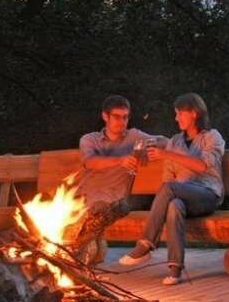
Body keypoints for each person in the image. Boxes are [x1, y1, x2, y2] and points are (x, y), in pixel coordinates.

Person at [118, 93, 225, 285]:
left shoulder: (212, 136)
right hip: (181, 195)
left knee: (170, 190)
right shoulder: (175, 141)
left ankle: (146, 244)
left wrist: (167, 154)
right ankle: (175, 270)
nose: (176, 118)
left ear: (194, 113)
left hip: (207, 195)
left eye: (180, 113)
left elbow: (203, 166)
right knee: (174, 205)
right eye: (175, 114)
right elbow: (168, 179)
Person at [67, 95, 166, 264]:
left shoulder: (134, 136)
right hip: (85, 199)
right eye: (117, 117)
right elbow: (90, 162)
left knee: (93, 215)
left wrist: (148, 146)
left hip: (115, 202)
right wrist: (120, 160)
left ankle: (77, 257)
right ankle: (82, 252)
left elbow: (165, 141)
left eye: (125, 117)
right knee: (67, 218)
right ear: (105, 116)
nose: (122, 121)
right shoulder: (89, 139)